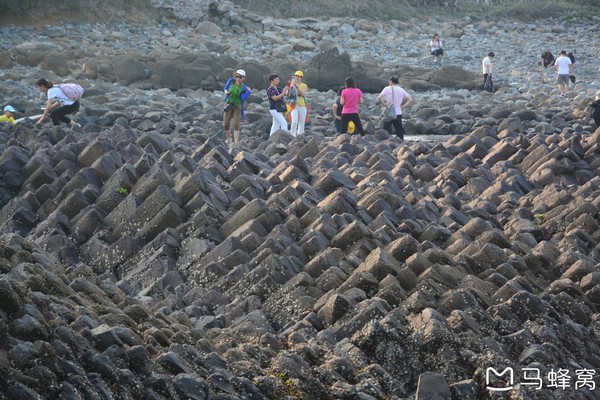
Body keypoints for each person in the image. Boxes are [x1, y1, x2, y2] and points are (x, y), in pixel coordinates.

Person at [377, 75, 413, 140]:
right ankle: (400, 143)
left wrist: (385, 104)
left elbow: (379, 97)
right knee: (399, 130)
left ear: (391, 81)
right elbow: (410, 99)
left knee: (385, 129)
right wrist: (403, 107)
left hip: (389, 112)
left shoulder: (387, 88)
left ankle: (384, 143)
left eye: (389, 81)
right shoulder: (401, 90)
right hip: (398, 112)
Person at [223, 69, 252, 145]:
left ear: (244, 78)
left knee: (236, 124)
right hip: (229, 103)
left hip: (237, 105)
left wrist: (248, 92)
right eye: (237, 76)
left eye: (240, 77)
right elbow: (225, 88)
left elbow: (243, 98)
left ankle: (236, 143)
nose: (238, 78)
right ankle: (229, 138)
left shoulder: (244, 87)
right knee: (226, 124)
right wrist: (227, 92)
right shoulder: (231, 81)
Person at [289, 70, 308, 137]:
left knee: (301, 122)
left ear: (301, 77)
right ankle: (292, 135)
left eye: (298, 76)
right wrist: (291, 87)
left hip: (302, 105)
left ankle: (300, 136)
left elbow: (302, 93)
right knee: (294, 121)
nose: (297, 78)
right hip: (294, 105)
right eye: (296, 76)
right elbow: (289, 94)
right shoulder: (291, 85)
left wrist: (297, 87)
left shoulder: (304, 85)